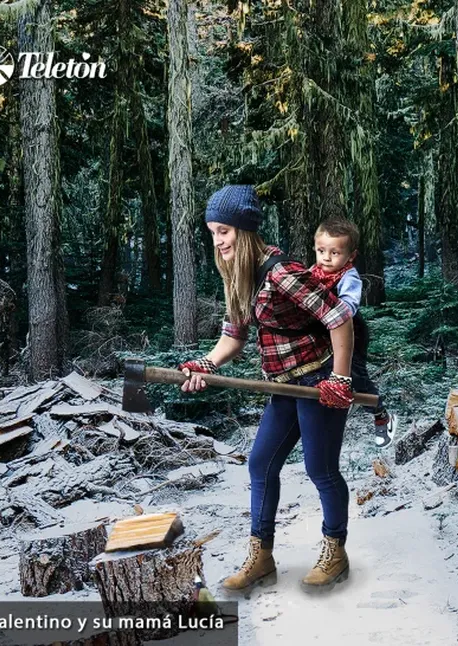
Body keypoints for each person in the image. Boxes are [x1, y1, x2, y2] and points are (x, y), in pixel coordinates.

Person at [178, 184, 355, 593]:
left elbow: (339, 318)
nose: (218, 239)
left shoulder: (281, 273)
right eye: (212, 231)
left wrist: (340, 378)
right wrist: (205, 364)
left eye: (224, 230)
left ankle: (336, 551)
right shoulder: (240, 274)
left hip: (318, 381)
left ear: (245, 229)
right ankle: (262, 557)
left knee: (320, 470)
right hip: (285, 387)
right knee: (260, 464)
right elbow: (233, 336)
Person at [310, 218, 396, 449]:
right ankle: (326, 427)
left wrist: (325, 309)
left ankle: (379, 412)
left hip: (351, 332)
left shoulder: (349, 277)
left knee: (353, 375)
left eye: (335, 253)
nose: (326, 258)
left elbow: (348, 306)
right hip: (322, 334)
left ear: (350, 256)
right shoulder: (311, 274)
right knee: (322, 375)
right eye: (321, 251)